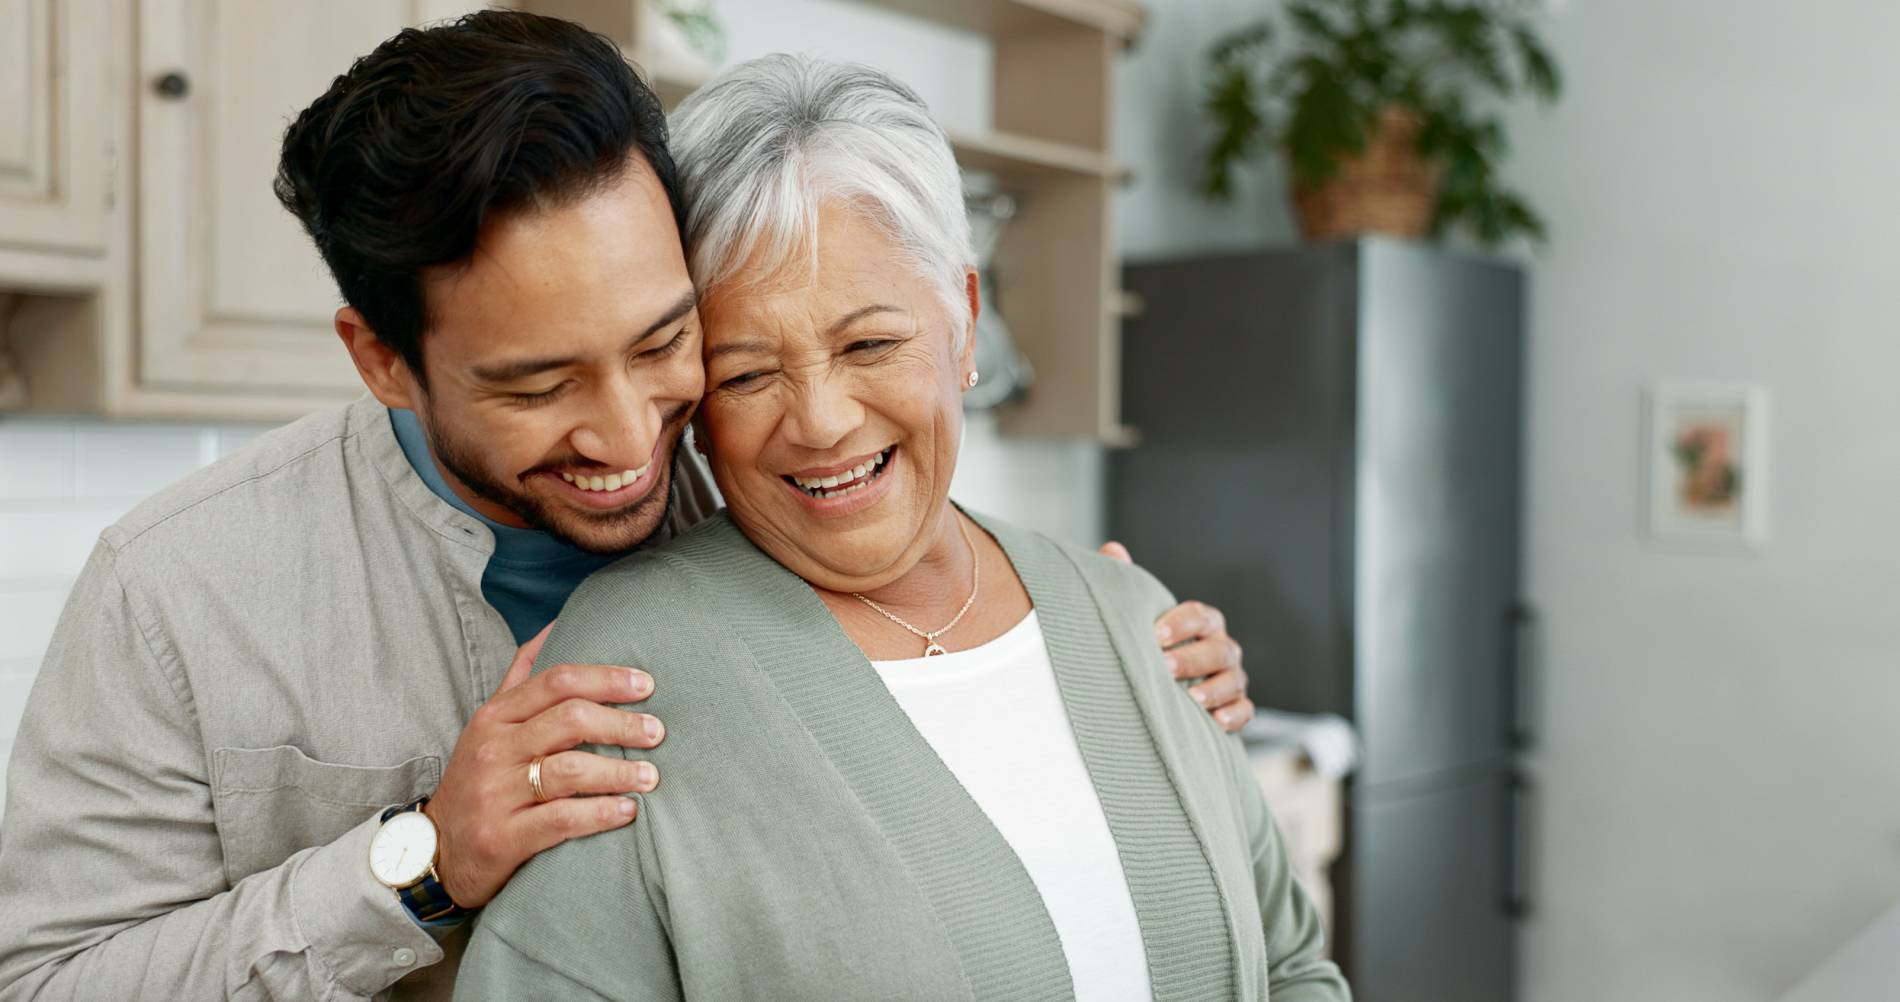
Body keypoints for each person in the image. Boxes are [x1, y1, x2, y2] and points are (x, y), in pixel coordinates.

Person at [0, 12, 1254, 1002]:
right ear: (381, 359)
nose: (627, 434)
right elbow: (47, 982)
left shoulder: (763, 471)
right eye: (536, 384)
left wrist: (1096, 657)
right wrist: (421, 863)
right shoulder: (182, 590)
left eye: (667, 341)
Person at [454, 55, 1349, 1002]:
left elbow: (1292, 966)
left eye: (870, 344)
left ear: (962, 324)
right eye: (749, 373)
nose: (823, 420)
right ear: (697, 408)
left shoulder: (1136, 615)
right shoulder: (627, 673)